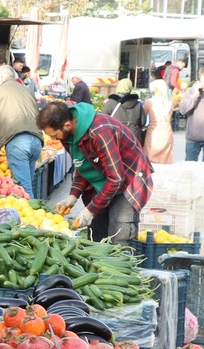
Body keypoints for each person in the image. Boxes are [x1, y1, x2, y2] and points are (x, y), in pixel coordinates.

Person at [39, 98, 153, 243]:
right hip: (104, 179)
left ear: (67, 125)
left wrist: (90, 210)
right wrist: (73, 195)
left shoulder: (100, 133)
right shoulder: (69, 134)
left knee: (119, 237)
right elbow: (82, 164)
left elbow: (116, 178)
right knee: (97, 234)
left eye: (54, 135)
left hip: (128, 180)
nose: (53, 139)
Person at [0, 66, 44, 197]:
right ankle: (32, 207)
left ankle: (29, 209)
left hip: (18, 141)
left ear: (1, 78)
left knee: (24, 189)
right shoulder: (27, 90)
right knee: (28, 184)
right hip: (36, 139)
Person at [105, 77, 146, 145]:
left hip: (116, 135)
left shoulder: (111, 102)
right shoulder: (137, 104)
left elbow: (104, 120)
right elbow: (142, 122)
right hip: (133, 136)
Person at [145, 78, 176, 164]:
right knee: (165, 160)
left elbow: (143, 115)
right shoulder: (170, 103)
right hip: (167, 132)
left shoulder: (149, 102)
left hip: (154, 133)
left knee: (150, 161)